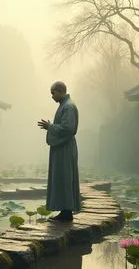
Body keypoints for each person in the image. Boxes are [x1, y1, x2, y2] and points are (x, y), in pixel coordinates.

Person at [37, 81, 80, 222]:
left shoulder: (68, 107)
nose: (52, 96)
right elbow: (63, 126)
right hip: (62, 147)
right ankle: (65, 211)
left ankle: (67, 213)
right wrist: (52, 126)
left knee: (65, 177)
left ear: (61, 91)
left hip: (65, 149)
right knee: (61, 178)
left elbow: (68, 129)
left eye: (53, 92)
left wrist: (50, 127)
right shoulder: (64, 106)